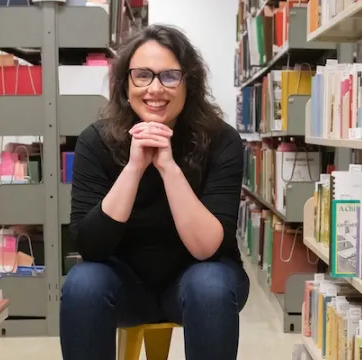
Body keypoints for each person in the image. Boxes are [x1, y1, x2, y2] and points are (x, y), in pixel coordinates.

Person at [60, 24, 248, 360]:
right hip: (124, 286)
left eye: (170, 76)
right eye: (142, 75)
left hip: (199, 281)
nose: (155, 89)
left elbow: (206, 248)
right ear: (125, 83)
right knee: (82, 284)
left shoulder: (222, 141)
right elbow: (90, 246)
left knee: (209, 284)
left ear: (189, 82)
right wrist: (134, 167)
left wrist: (168, 167)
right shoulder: (96, 140)